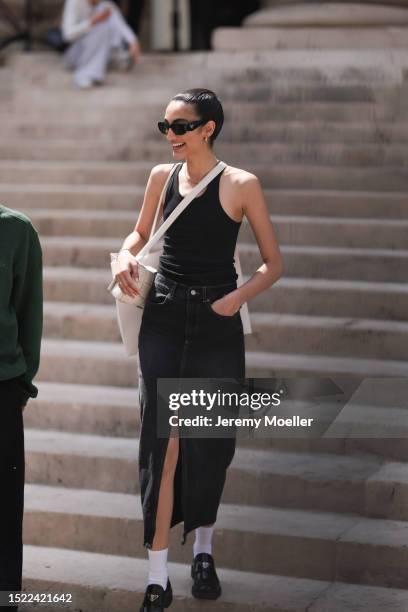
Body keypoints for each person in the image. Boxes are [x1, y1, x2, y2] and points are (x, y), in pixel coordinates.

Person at [114, 88, 283, 611]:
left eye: (181, 126)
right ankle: (158, 577)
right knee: (159, 447)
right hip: (162, 318)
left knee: (210, 443)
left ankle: (204, 551)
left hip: (215, 322)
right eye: (164, 126)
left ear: (208, 127)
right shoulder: (161, 178)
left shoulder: (241, 184)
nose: (171, 136)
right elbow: (141, 234)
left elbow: (273, 264)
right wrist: (124, 255)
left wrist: (234, 300)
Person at [0, 206, 43, 612]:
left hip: (2, 387)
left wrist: (20, 385)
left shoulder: (17, 230)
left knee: (5, 510)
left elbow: (29, 310)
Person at [61, 0, 141, 89]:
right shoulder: (74, 2)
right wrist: (92, 21)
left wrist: (133, 42)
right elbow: (67, 35)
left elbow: (120, 25)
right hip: (75, 54)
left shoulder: (105, 5)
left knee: (109, 27)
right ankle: (86, 75)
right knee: (101, 28)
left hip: (96, 48)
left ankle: (115, 60)